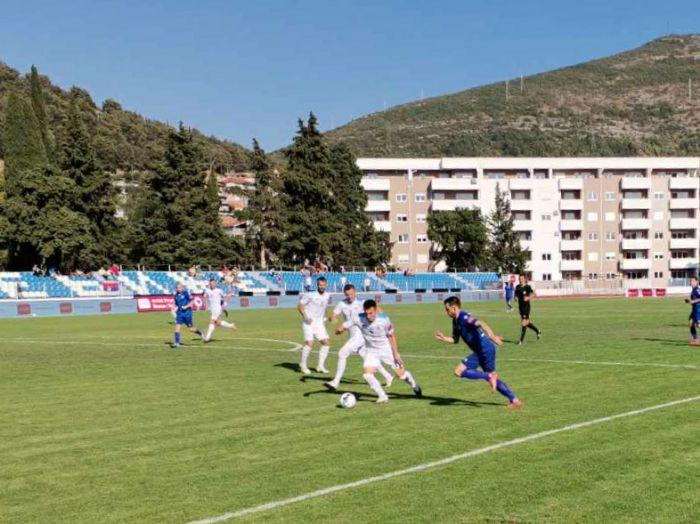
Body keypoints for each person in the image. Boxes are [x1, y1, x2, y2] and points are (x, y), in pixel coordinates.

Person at [435, 296, 523, 409]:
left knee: (458, 371)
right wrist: (444, 338)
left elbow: (481, 323)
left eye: (447, 309)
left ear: (454, 308)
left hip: (483, 349)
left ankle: (488, 376)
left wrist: (491, 336)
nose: (446, 311)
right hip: (485, 350)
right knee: (493, 379)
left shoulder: (464, 317)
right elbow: (455, 340)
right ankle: (515, 400)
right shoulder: (455, 321)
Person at [337, 299, 421, 404]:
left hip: (386, 349)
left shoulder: (384, 319)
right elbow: (344, 325)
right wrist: (339, 330)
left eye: (371, 313)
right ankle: (383, 396)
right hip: (371, 350)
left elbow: (391, 336)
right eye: (366, 313)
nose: (368, 316)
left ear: (376, 310)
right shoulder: (358, 318)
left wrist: (396, 353)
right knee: (367, 374)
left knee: (401, 375)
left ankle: (413, 384)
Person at [324, 284, 393, 390]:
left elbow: (377, 308)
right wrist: (333, 319)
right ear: (344, 294)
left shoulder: (362, 303)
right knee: (367, 357)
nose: (350, 296)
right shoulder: (342, 304)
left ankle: (336, 382)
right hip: (352, 336)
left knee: (342, 353)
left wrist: (383, 318)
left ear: (355, 292)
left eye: (351, 294)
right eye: (347, 294)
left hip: (361, 335)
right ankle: (388, 376)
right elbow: (334, 315)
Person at [297, 276, 332, 374]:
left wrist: (325, 318)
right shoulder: (310, 295)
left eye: (323, 285)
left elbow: (324, 308)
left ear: (326, 285)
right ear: (317, 285)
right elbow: (299, 306)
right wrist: (305, 316)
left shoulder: (327, 295)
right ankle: (303, 365)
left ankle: (320, 366)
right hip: (308, 322)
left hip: (319, 323)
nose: (322, 287)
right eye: (320, 285)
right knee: (310, 343)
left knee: (327, 343)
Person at [514, 275, 541, 344]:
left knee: (523, 323)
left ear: (525, 279)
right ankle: (537, 331)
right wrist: (515, 298)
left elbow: (534, 294)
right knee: (527, 323)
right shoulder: (517, 287)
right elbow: (516, 295)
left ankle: (521, 341)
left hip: (526, 307)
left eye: (522, 278)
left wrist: (528, 298)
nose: (521, 280)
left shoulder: (527, 287)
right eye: (520, 279)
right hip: (520, 307)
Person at [684, 275, 700, 346]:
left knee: (698, 325)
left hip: (698, 309)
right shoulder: (693, 290)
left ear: (697, 282)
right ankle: (695, 338)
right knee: (690, 323)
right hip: (694, 309)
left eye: (693, 281)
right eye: (691, 281)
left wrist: (693, 301)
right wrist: (689, 302)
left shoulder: (697, 289)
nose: (691, 282)